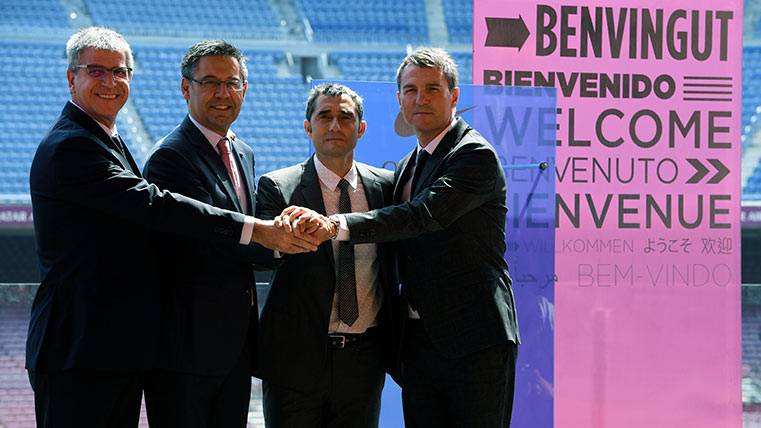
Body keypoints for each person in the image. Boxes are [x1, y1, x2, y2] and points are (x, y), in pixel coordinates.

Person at [26, 27, 317, 428]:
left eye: (121, 72)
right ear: (71, 77)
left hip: (114, 349)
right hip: (80, 348)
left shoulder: (105, 138)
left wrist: (282, 238)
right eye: (97, 71)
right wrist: (258, 230)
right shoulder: (72, 145)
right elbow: (156, 206)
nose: (111, 82)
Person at [283, 47, 519, 427]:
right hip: (420, 344)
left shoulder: (474, 154)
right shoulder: (410, 164)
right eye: (410, 91)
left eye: (431, 89)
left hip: (474, 340)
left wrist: (337, 224)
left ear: (454, 96)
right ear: (399, 100)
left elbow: (423, 216)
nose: (420, 99)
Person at [141, 40, 271, 427]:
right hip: (186, 352)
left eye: (232, 82)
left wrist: (287, 242)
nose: (222, 93)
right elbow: (205, 241)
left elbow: (245, 235)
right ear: (186, 88)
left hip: (233, 347)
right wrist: (274, 239)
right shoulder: (170, 157)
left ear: (244, 89)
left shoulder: (243, 152)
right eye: (210, 82)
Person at [256, 83, 401, 428]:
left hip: (364, 363)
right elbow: (265, 257)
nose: (335, 125)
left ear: (361, 128)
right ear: (308, 127)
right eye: (324, 116)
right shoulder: (278, 187)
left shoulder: (387, 187)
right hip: (295, 362)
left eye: (345, 117)